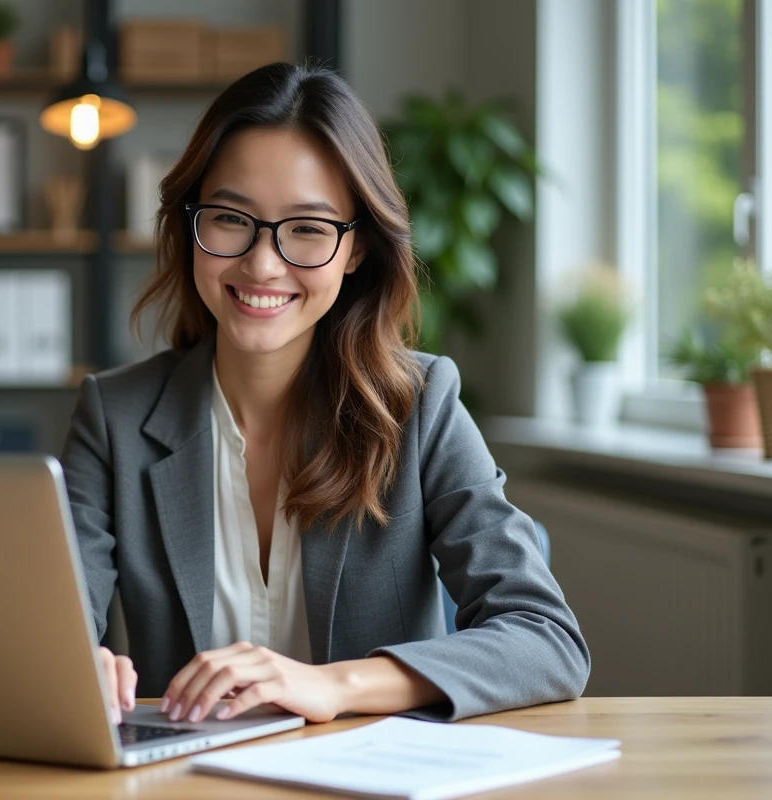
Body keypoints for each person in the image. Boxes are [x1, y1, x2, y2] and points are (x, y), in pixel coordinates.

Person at [60, 62, 589, 727]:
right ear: (189, 223)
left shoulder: (418, 406)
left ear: (357, 249)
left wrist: (333, 686)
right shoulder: (115, 418)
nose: (262, 264)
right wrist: (73, 661)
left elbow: (547, 641)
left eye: (307, 228)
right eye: (231, 218)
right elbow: (49, 625)